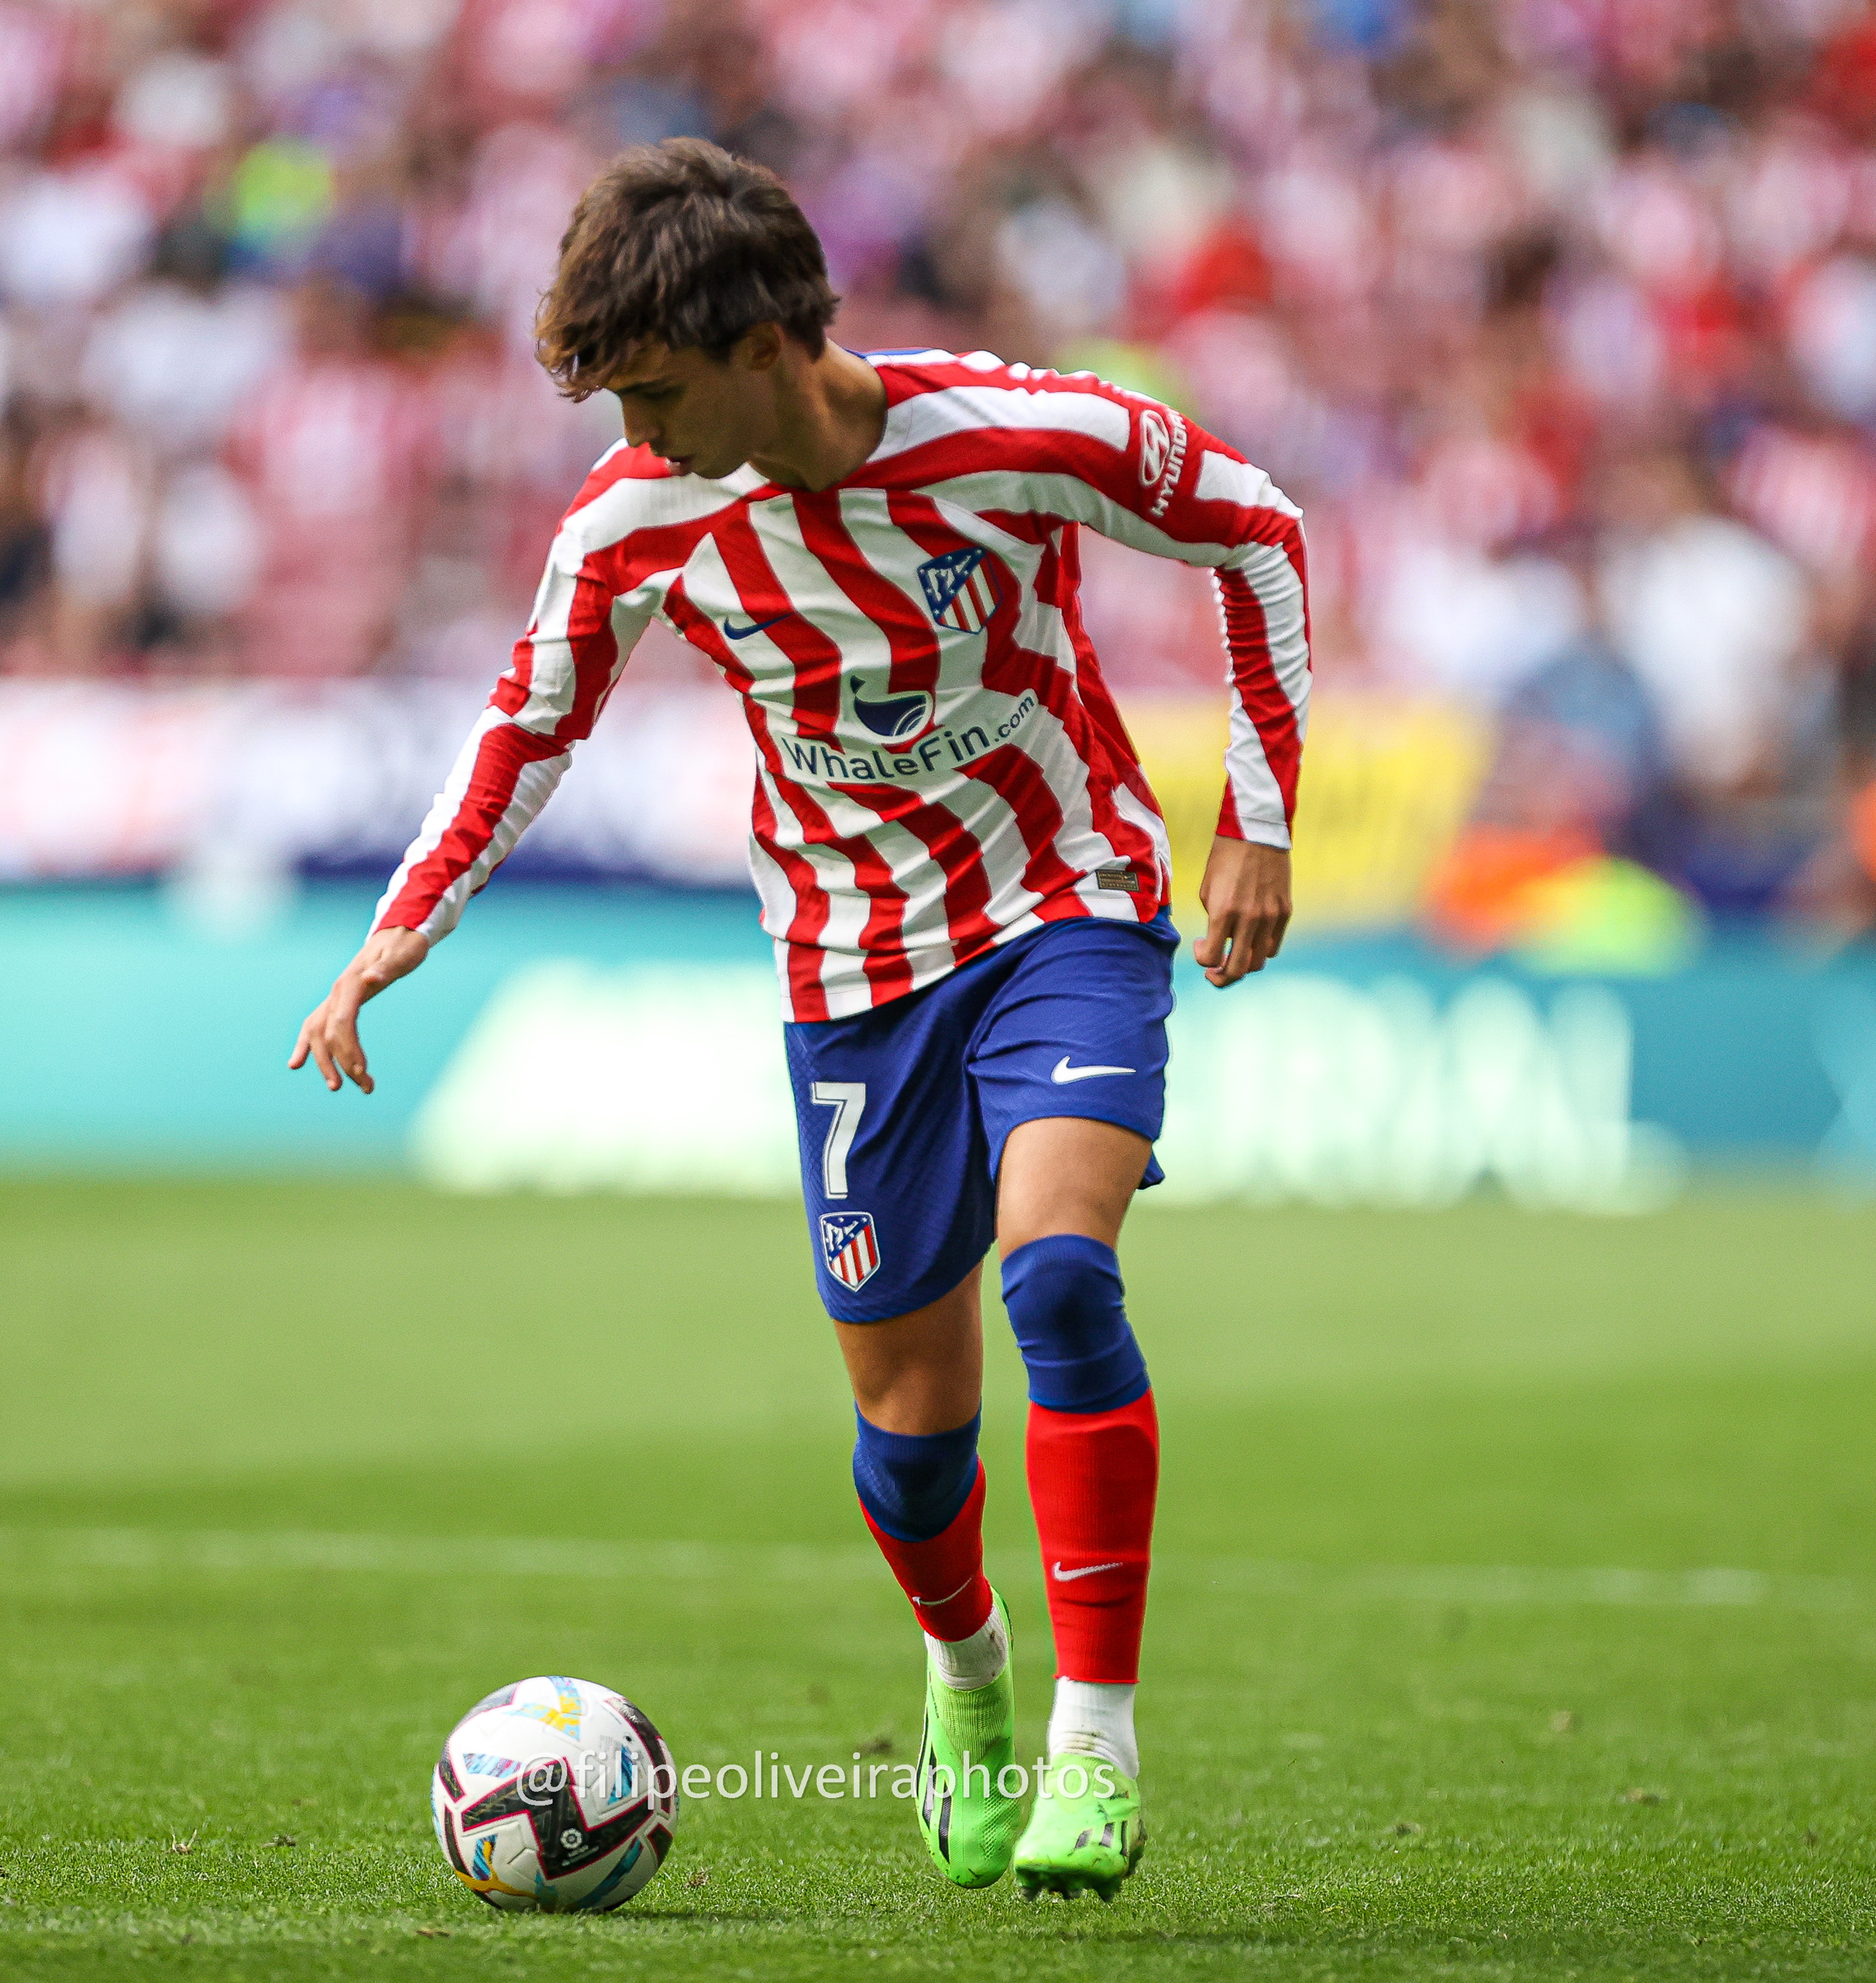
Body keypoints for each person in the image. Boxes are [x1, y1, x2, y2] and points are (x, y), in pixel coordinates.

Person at [291, 140, 1309, 1899]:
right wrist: (397, 935)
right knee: (914, 1450)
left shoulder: (1020, 431)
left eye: (656, 391)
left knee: (1059, 1272)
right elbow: (525, 727)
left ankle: (1096, 1739)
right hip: (850, 977)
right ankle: (968, 1677)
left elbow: (1260, 531)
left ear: (768, 343)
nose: (632, 433)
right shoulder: (632, 525)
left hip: (1062, 903)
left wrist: (1264, 816)